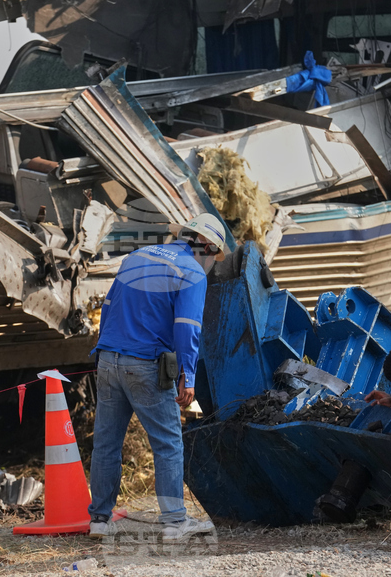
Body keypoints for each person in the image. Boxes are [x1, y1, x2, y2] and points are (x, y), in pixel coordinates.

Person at [87, 213, 229, 540]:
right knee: (167, 444)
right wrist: (188, 375)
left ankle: (99, 520)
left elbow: (108, 307)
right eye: (213, 255)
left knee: (106, 444)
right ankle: (175, 523)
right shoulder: (191, 271)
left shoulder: (136, 257)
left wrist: (107, 351)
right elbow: (187, 328)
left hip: (108, 359)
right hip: (145, 364)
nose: (211, 262)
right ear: (205, 245)